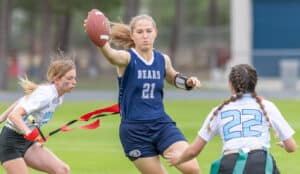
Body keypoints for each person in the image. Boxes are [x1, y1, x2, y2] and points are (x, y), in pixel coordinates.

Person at [84, 13, 201, 174]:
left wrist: (188, 82)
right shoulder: (127, 58)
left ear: (155, 32)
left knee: (192, 169)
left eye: (148, 31)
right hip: (134, 131)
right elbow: (111, 56)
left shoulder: (162, 59)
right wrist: (101, 41)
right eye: (139, 32)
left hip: (161, 124)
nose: (145, 35)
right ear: (132, 35)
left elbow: (172, 77)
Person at [165, 64, 297, 174]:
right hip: (260, 162)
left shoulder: (218, 110)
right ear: (255, 83)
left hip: (229, 163)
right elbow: (292, 147)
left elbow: (195, 150)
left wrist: (179, 159)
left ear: (230, 84)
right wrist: (284, 144)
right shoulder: (267, 106)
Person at [0, 57, 77, 174]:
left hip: (27, 142)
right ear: (56, 79)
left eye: (74, 78)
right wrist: (29, 132)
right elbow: (14, 116)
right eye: (69, 78)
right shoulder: (45, 95)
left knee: (63, 170)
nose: (74, 82)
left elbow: (22, 100)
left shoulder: (58, 98)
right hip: (10, 142)